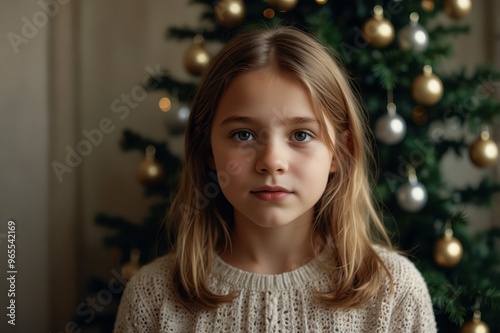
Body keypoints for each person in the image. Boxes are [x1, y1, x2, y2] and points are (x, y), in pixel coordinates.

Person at [113, 26, 437, 332]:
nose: (271, 162)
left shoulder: (395, 291)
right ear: (208, 149)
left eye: (300, 134)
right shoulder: (152, 297)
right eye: (243, 134)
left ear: (340, 151)